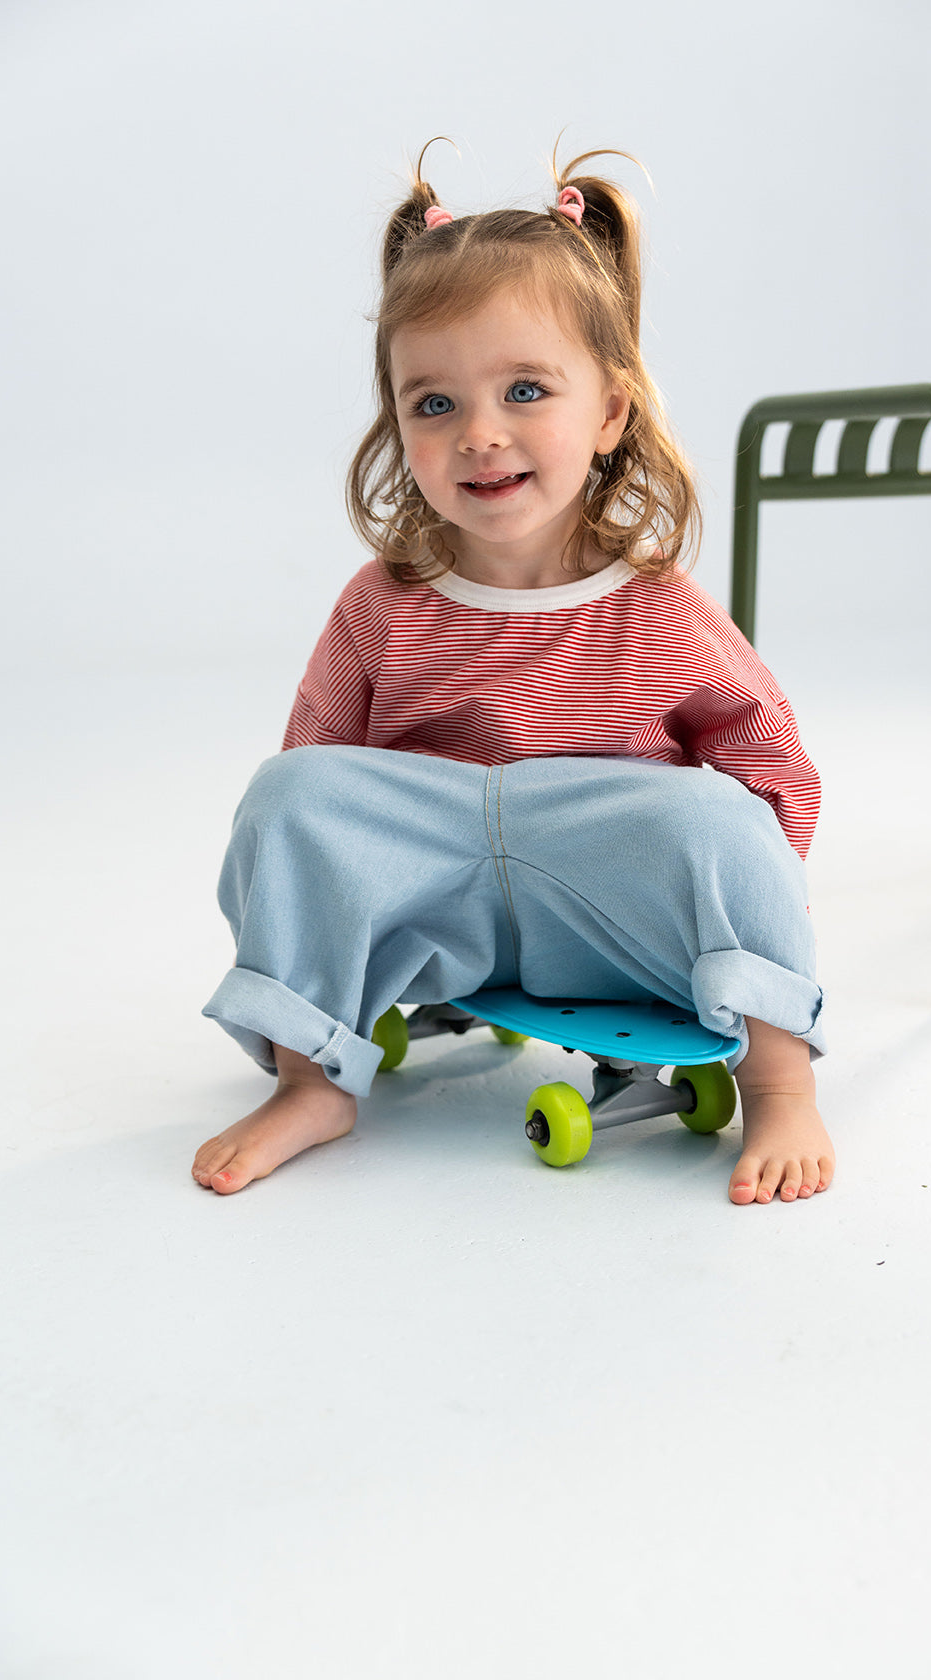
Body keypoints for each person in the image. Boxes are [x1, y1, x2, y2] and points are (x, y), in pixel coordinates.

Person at [194, 144, 835, 1206]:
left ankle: (778, 1082)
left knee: (727, 818)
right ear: (398, 427)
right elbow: (320, 784)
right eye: (432, 404)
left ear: (611, 414)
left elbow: (772, 765)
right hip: (435, 896)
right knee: (287, 794)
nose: (479, 435)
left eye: (525, 390)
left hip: (601, 897)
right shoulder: (381, 600)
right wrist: (348, 879)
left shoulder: (654, 605)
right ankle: (311, 1081)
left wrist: (719, 896)